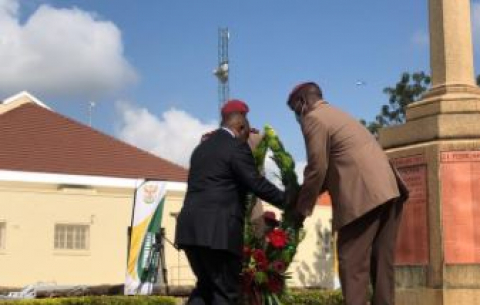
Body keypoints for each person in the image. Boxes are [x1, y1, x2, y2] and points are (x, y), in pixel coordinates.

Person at [287, 82, 409, 305]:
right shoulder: (338, 114)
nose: (297, 117)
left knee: (351, 264)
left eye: (294, 110)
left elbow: (317, 168)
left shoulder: (314, 119)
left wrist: (301, 209)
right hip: (389, 189)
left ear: (302, 103)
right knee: (382, 265)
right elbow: (330, 170)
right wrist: (303, 196)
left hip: (362, 195)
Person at [175, 112, 285, 305]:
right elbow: (256, 183)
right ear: (240, 128)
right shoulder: (236, 147)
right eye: (246, 135)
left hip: (190, 230)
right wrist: (288, 201)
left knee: (204, 288)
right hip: (218, 233)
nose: (246, 140)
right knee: (225, 293)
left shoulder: (200, 149)